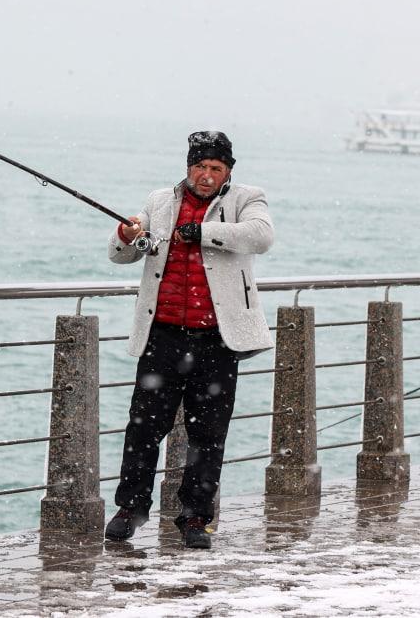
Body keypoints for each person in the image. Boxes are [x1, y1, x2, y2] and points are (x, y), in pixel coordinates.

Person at [103, 131, 274, 549]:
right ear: (188, 168)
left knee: (208, 434)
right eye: (200, 167)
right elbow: (122, 254)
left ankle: (195, 518)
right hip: (161, 336)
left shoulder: (247, 199)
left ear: (228, 172)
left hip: (216, 341)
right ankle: (131, 508)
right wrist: (128, 236)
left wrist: (201, 231)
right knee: (142, 429)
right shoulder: (160, 201)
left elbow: (260, 236)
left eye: (216, 168)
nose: (207, 175)